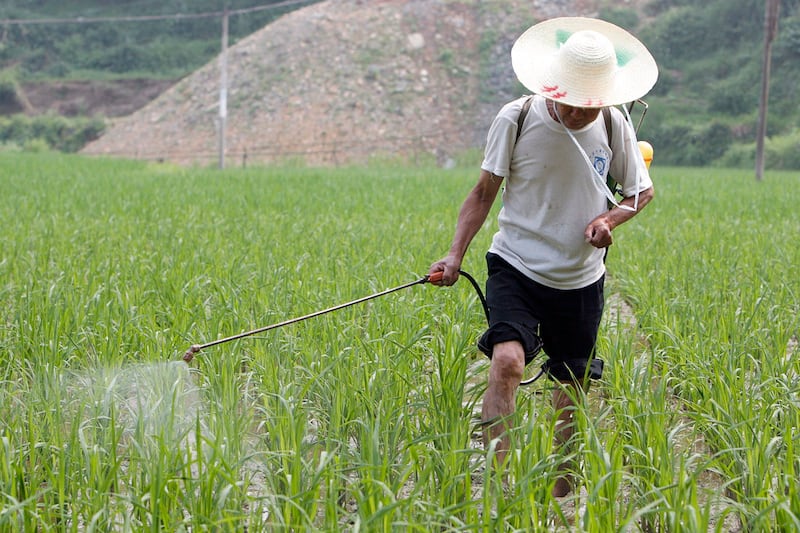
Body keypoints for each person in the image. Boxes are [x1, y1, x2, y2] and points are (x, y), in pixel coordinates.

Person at [428, 17, 658, 497]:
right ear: (552, 85)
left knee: (571, 386)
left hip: (579, 278)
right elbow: (483, 192)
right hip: (516, 263)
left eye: (587, 106)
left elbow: (640, 192)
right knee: (507, 360)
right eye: (569, 101)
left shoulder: (613, 123)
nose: (576, 114)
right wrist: (453, 256)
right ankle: (499, 487)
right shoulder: (515, 118)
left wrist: (608, 221)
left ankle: (561, 494)